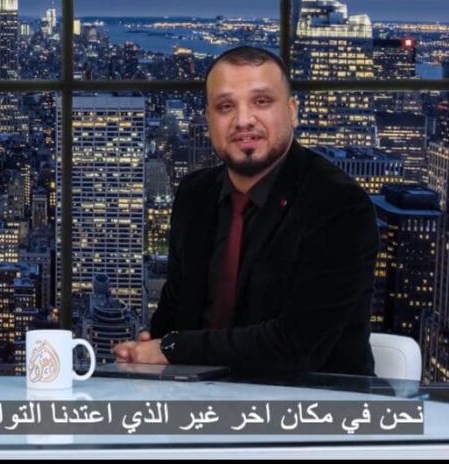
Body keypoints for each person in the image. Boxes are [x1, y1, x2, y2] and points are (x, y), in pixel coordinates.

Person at [114, 46, 378, 376]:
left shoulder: (339, 205)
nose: (243, 120)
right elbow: (173, 316)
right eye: (226, 107)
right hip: (199, 397)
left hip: (314, 400)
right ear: (209, 119)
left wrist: (170, 348)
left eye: (261, 101)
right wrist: (147, 347)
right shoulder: (195, 194)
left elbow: (298, 346)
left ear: (292, 112)